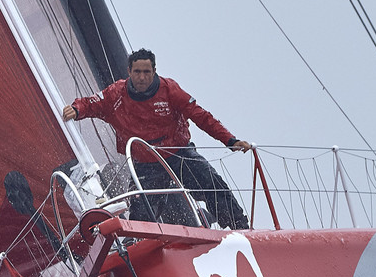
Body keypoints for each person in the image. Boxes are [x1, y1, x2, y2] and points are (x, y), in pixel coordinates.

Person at [62, 49, 252, 229]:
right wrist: (76, 109)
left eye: (147, 72)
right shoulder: (116, 93)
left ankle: (240, 227)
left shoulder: (170, 89)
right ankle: (140, 244)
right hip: (146, 164)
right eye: (137, 72)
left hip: (179, 153)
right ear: (129, 71)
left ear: (154, 71)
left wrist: (230, 140)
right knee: (141, 210)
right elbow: (90, 103)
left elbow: (201, 116)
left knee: (211, 183)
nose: (142, 77)